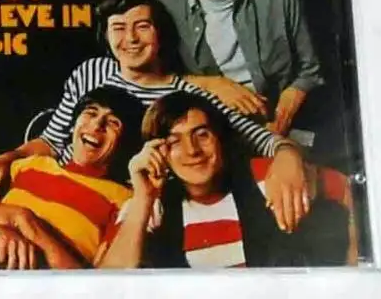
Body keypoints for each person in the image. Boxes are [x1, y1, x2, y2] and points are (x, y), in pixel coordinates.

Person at [0, 0, 313, 235]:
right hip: (50, 189)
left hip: (118, 212)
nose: (130, 39)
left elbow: (267, 141)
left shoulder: (190, 96)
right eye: (118, 28)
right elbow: (52, 141)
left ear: (160, 35)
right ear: (106, 35)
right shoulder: (91, 72)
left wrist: (288, 157)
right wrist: (6, 158)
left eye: (142, 26)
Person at [98, 93, 352, 268]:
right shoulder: (147, 205)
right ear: (157, 152)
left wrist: (354, 272)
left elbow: (347, 188)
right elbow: (109, 282)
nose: (192, 150)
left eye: (202, 135)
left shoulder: (262, 175)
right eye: (174, 141)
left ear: (220, 139)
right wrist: (143, 198)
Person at [0, 87, 144, 269]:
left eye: (113, 122)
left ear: (126, 143)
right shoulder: (29, 165)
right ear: (73, 125)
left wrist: (25, 221)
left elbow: (95, 285)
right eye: (90, 113)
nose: (96, 125)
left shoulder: (125, 201)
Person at [154, 0, 323, 135]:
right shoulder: (165, 4)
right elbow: (153, 78)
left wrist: (284, 113)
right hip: (212, 131)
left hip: (280, 124)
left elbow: (309, 69)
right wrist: (213, 84)